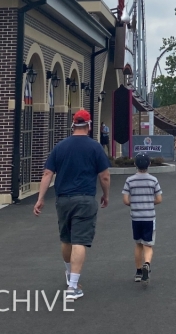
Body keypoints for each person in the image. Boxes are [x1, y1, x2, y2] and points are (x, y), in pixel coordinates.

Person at [34, 109, 111, 300]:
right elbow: (105, 176)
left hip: (63, 199)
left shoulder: (60, 147)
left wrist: (40, 198)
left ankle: (70, 274)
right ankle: (73, 287)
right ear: (89, 125)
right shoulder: (95, 148)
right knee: (80, 241)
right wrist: (105, 195)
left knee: (66, 239)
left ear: (73, 125)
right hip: (85, 198)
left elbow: (47, 174)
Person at [121, 153, 163, 285]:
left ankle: (138, 271)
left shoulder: (130, 180)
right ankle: (147, 264)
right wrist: (150, 203)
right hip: (149, 217)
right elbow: (159, 199)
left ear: (135, 164)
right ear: (149, 164)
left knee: (138, 244)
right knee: (148, 245)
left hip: (136, 217)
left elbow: (126, 200)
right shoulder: (153, 180)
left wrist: (134, 204)